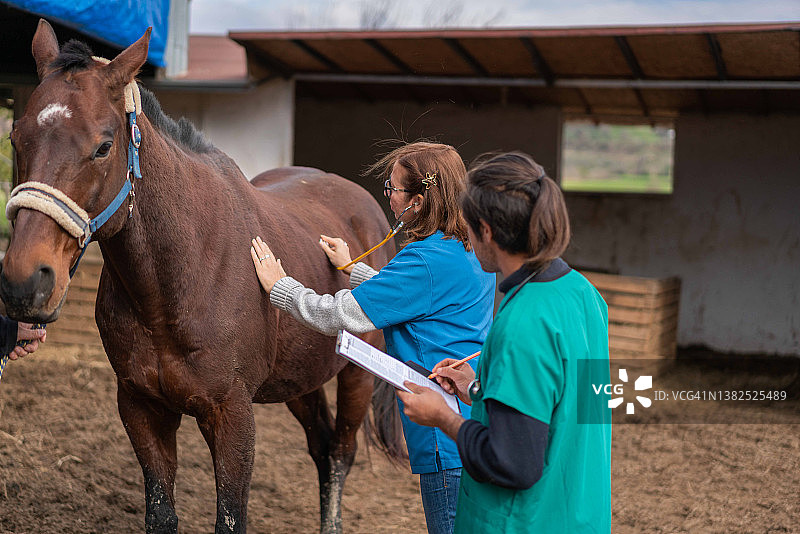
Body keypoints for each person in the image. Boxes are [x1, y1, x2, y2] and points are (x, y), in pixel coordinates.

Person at [250, 142, 496, 534]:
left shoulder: (424, 260)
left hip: (443, 438)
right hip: (477, 419)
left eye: (393, 189)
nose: (390, 197)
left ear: (417, 202)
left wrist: (282, 287)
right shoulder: (469, 247)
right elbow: (417, 296)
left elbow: (336, 315)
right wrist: (352, 267)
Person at [396, 151, 612, 533]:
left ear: (488, 231)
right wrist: (479, 389)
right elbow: (570, 406)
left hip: (526, 521)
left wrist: (442, 417)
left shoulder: (522, 322)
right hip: (579, 513)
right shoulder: (584, 295)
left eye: (468, 226)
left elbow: (512, 462)